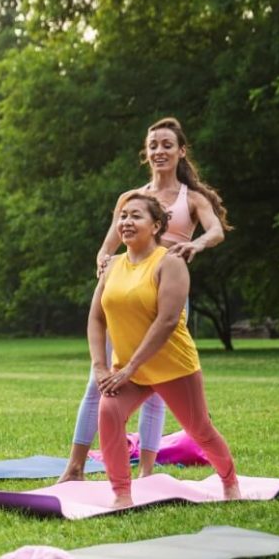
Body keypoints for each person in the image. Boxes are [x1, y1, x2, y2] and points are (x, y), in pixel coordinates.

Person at [60, 117, 231, 482]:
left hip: (164, 300)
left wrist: (196, 243)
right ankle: (74, 466)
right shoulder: (132, 199)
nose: (159, 151)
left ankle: (148, 472)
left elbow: (215, 230)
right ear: (146, 153)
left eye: (167, 145)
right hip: (126, 298)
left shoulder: (192, 198)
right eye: (153, 145)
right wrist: (105, 265)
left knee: (156, 390)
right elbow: (107, 246)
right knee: (100, 380)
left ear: (181, 151)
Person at [90, 193, 239, 507]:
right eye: (122, 217)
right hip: (128, 370)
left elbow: (168, 320)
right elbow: (96, 317)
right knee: (108, 413)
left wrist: (129, 368)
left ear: (156, 225)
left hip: (173, 366)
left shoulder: (170, 262)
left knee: (199, 429)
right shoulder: (112, 265)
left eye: (135, 216)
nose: (126, 222)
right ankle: (122, 494)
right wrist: (100, 366)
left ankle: (229, 482)